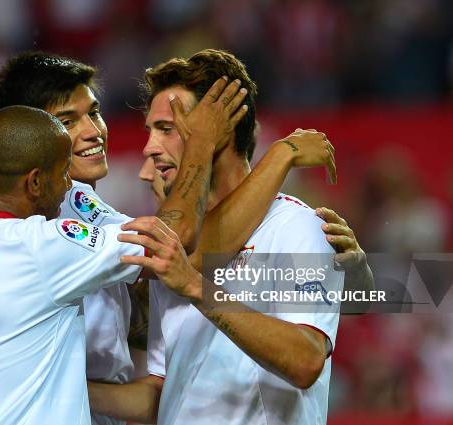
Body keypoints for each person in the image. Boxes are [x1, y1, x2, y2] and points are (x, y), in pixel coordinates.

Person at [0, 51, 345, 425]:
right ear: (28, 136)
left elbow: (175, 296)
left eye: (94, 112)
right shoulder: (56, 234)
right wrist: (281, 155)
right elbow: (178, 253)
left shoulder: (297, 225)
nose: (95, 131)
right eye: (68, 121)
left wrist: (360, 275)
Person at [0, 79, 249, 423]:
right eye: (62, 173)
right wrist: (211, 144)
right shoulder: (46, 243)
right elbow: (173, 240)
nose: (69, 184)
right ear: (34, 181)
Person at [87, 49, 373, 425]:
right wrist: (68, 385)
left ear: (218, 132)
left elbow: (305, 360)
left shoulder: (294, 226)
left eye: (167, 129)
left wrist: (195, 286)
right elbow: (164, 391)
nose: (149, 148)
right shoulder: (176, 245)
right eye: (150, 130)